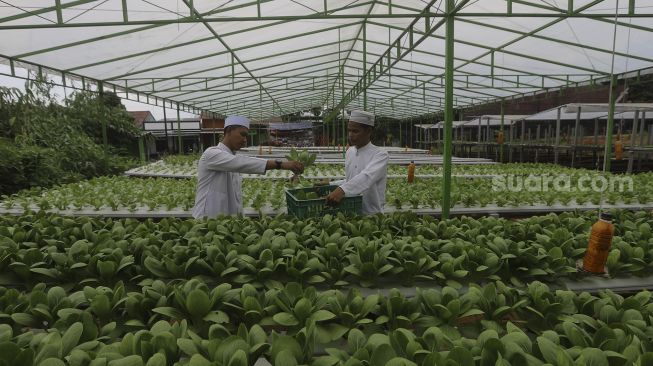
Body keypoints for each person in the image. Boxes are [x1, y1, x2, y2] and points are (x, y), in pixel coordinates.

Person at [192, 115, 304, 218]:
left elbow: (236, 198)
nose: (245, 140)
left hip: (225, 223)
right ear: (229, 131)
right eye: (242, 134)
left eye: (247, 136)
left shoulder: (232, 158)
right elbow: (241, 162)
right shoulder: (211, 153)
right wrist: (281, 164)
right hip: (206, 221)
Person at [325, 110, 389, 214]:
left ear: (368, 131)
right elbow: (352, 179)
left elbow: (367, 177)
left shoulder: (380, 154)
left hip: (371, 214)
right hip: (351, 212)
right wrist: (330, 184)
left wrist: (342, 190)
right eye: (349, 131)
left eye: (355, 131)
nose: (350, 135)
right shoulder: (350, 151)